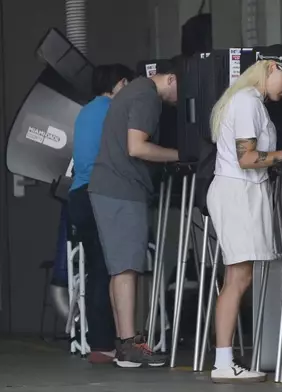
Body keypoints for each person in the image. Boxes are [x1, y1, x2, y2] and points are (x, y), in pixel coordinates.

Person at [88, 58, 181, 368]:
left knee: (119, 268)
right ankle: (130, 346)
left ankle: (125, 342)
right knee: (128, 267)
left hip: (108, 187)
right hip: (122, 189)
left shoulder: (134, 91)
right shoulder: (146, 96)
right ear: (170, 80)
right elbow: (137, 147)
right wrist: (179, 156)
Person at [207, 55, 282, 383]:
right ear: (271, 68)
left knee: (238, 278)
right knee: (237, 279)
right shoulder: (246, 103)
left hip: (241, 193)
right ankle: (223, 363)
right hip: (238, 193)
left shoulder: (248, 101)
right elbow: (248, 158)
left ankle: (224, 360)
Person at [67, 63, 134, 364]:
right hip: (101, 195)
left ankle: (100, 344)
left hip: (79, 196)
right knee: (113, 270)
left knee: (96, 270)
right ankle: (113, 342)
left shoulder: (86, 111)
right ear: (120, 84)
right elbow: (130, 149)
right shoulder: (113, 110)